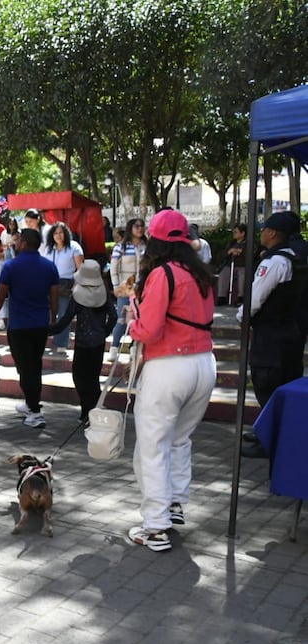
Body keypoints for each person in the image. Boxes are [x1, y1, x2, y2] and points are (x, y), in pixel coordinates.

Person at [123, 209, 216, 552]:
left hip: (169, 366)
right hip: (204, 364)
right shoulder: (201, 273)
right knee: (179, 440)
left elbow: (148, 330)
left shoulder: (162, 274)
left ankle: (156, 526)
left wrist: (132, 322)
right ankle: (174, 505)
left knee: (152, 447)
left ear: (155, 240)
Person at [237, 211, 307, 458]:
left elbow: (256, 297)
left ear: (273, 233)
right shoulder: (296, 257)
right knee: (284, 384)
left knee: (267, 385)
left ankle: (269, 441)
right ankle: (278, 436)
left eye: (264, 229)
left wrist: (241, 317)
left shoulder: (274, 261)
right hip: (290, 331)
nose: (262, 233)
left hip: (271, 335)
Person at [0, 228, 59, 428]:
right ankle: (31, 403)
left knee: (25, 368)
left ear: (24, 243)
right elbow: (54, 297)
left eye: (19, 239)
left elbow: (0, 295)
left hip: (19, 325)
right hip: (39, 324)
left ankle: (35, 411)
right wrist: (53, 318)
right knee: (33, 365)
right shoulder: (49, 267)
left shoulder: (11, 266)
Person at [48, 259, 117, 424]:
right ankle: (93, 410)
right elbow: (113, 316)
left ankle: (88, 410)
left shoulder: (78, 296)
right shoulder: (104, 294)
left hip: (82, 343)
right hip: (98, 343)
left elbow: (65, 321)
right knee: (93, 378)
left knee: (80, 377)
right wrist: (104, 332)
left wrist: (48, 330)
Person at [42, 222, 84, 355]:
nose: (58, 236)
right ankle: (43, 340)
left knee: (64, 315)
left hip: (66, 284)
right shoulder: (48, 249)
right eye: (55, 233)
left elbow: (80, 268)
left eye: (60, 232)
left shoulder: (74, 247)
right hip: (49, 283)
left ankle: (61, 343)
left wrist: (76, 285)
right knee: (46, 314)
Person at [108, 217, 147, 360]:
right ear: (130, 228)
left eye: (142, 226)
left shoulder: (146, 247)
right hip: (126, 287)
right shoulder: (121, 247)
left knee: (140, 318)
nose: (140, 228)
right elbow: (114, 267)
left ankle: (133, 347)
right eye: (136, 226)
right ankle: (114, 347)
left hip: (142, 288)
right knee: (122, 318)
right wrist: (116, 286)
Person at [216, 223, 249, 306]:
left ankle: (241, 297)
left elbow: (251, 254)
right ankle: (221, 297)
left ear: (242, 233)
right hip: (230, 265)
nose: (234, 234)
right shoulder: (231, 243)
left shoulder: (248, 243)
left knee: (242, 275)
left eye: (236, 232)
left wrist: (240, 252)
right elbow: (222, 255)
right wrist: (229, 252)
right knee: (223, 273)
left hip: (242, 266)